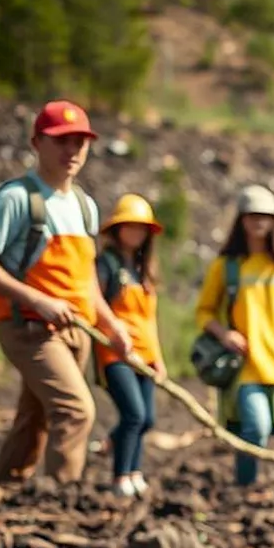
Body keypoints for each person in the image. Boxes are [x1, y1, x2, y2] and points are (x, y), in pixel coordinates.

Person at [0, 100, 132, 484]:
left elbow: (85, 282)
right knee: (76, 410)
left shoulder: (85, 206)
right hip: (30, 327)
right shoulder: (17, 199)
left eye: (79, 142)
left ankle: (7, 486)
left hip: (77, 331)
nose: (71, 151)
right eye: (61, 142)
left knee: (35, 416)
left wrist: (112, 325)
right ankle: (62, 500)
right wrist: (37, 299)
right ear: (37, 142)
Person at [194, 185, 274, 486]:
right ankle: (245, 492)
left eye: (264, 216)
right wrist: (225, 335)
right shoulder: (227, 266)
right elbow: (204, 312)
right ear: (242, 220)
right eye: (251, 216)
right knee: (255, 430)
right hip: (248, 365)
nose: (258, 222)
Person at [94, 194, 167, 498]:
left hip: (145, 356)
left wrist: (159, 359)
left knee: (146, 419)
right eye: (130, 226)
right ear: (117, 228)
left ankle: (133, 468)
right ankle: (120, 477)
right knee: (133, 414)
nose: (136, 233)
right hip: (117, 353)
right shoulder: (106, 264)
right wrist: (114, 329)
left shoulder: (143, 269)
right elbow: (93, 300)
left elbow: (150, 321)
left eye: (141, 228)